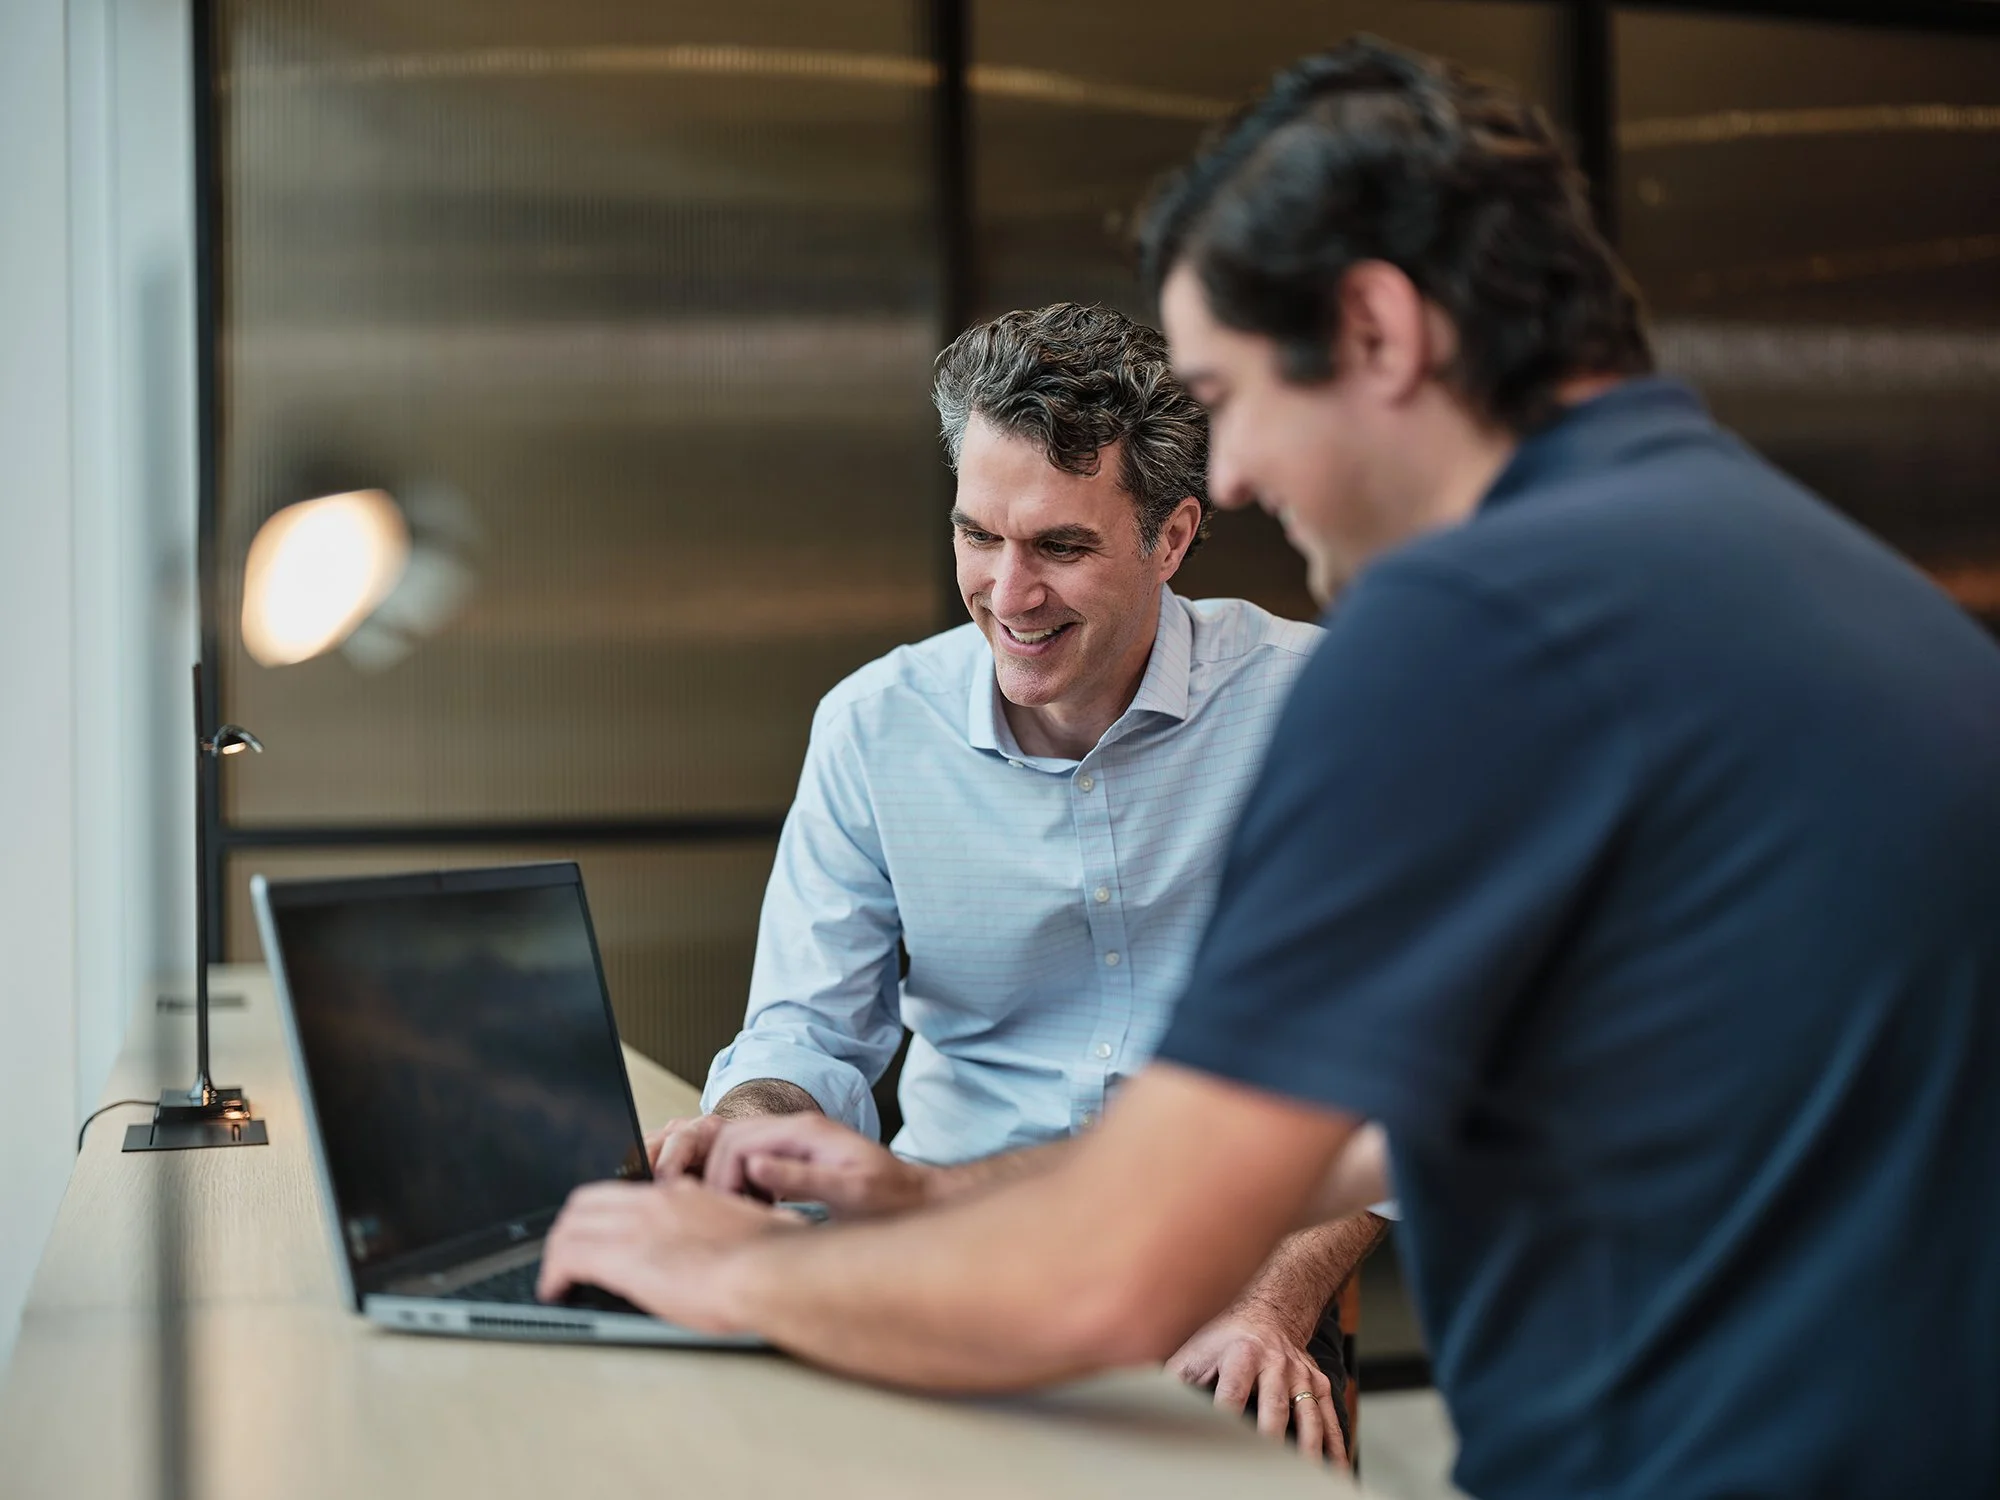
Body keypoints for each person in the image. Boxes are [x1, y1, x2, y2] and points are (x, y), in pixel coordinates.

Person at [542, 39, 2000, 1499]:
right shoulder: (1831, 587)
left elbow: (1115, 1273)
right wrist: (930, 1190)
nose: (1230, 480)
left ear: (1375, 328)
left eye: (1233, 396)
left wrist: (730, 1279)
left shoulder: (1467, 629)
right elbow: (1367, 1133)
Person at [653, 300, 1382, 1461]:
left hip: (1225, 1274)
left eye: (1059, 546)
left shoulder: (1324, 709)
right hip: (952, 1260)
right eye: (977, 536)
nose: (1007, 592)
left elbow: (1388, 1071)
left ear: (1174, 535)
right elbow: (806, 1037)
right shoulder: (873, 726)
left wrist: (1269, 1302)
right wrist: (744, 1132)